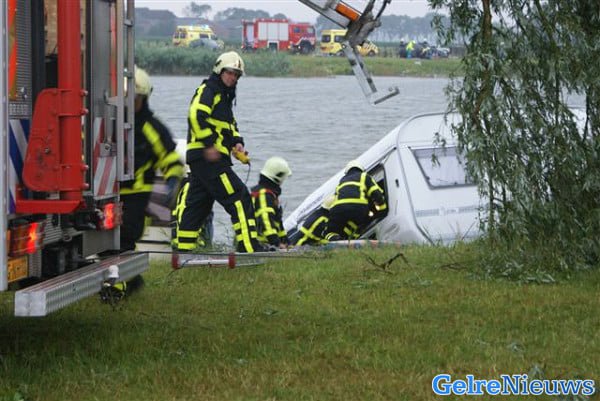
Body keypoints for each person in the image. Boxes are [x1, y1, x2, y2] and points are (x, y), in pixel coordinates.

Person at [175, 51, 262, 253]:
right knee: (239, 197)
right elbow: (195, 115)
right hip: (209, 159)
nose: (233, 78)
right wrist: (209, 145)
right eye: (230, 73)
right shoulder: (209, 90)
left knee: (197, 207)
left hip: (203, 160)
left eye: (237, 75)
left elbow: (228, 125)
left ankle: (183, 252)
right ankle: (249, 248)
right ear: (219, 70)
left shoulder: (223, 96)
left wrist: (237, 143)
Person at [119, 66, 184, 252]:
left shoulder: (152, 128)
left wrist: (172, 181)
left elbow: (170, 160)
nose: (129, 104)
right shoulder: (105, 124)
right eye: (125, 98)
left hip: (136, 195)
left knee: (126, 239)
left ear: (144, 99)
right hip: (106, 195)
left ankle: (122, 268)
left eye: (134, 99)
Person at [325, 160, 387, 241]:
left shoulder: (342, 180)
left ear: (347, 171)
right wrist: (382, 211)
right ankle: (356, 238)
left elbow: (336, 196)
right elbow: (376, 193)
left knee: (331, 231)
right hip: (359, 208)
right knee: (359, 224)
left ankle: (336, 239)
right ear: (361, 169)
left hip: (339, 209)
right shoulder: (364, 176)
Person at [250, 157, 292, 249]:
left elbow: (277, 222)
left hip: (265, 243)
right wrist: (277, 243)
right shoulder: (264, 195)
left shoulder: (268, 194)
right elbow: (266, 221)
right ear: (278, 177)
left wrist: (286, 242)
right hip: (261, 245)